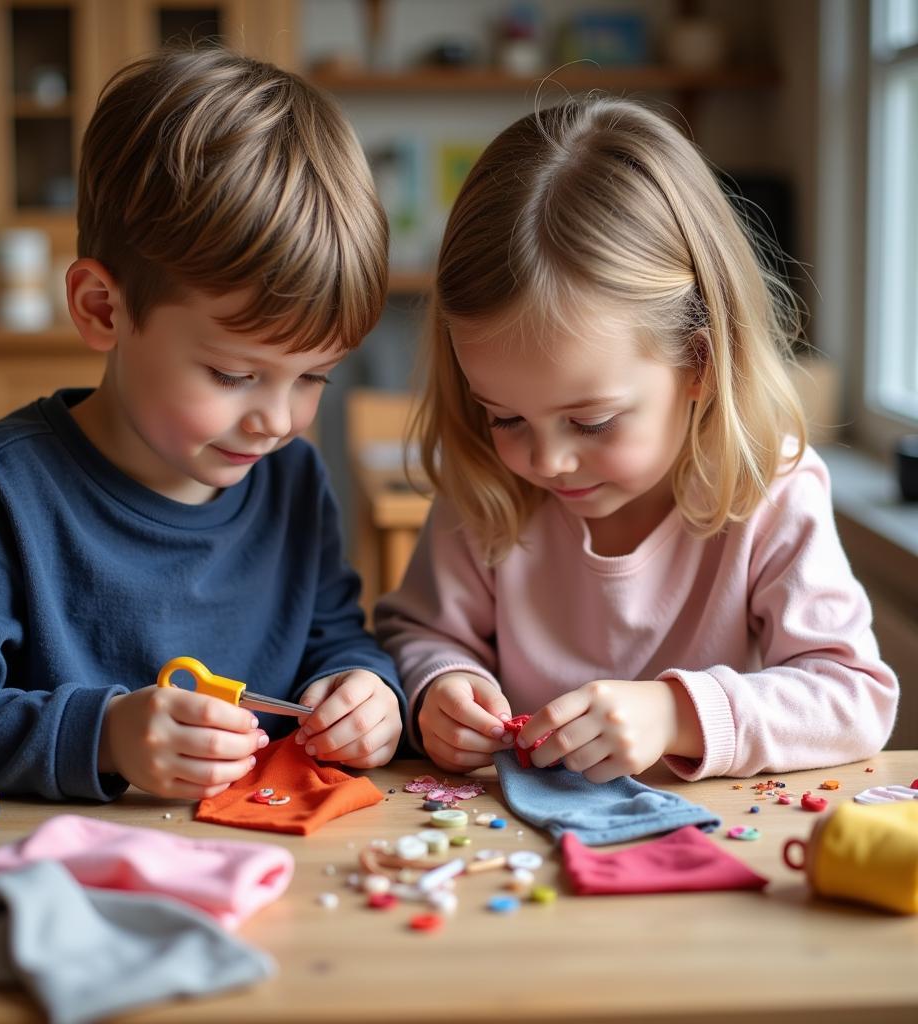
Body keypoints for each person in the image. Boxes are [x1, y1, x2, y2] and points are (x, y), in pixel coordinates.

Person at [0, 47, 404, 801]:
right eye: (234, 375)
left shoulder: (293, 480)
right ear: (104, 309)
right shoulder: (4, 485)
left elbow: (335, 635)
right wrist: (102, 736)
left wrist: (366, 690)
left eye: (314, 379)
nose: (276, 420)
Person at [375, 96, 898, 783]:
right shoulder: (490, 484)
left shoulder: (772, 490)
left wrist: (677, 714)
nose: (548, 461)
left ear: (700, 365)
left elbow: (854, 696)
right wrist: (439, 685)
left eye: (591, 422)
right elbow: (419, 634)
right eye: (505, 417)